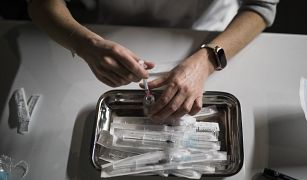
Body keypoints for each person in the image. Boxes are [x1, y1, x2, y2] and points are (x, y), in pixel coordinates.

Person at [27, 0, 279, 121]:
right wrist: (84, 44)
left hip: (212, 36)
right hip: (103, 28)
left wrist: (207, 60)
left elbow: (261, 5)